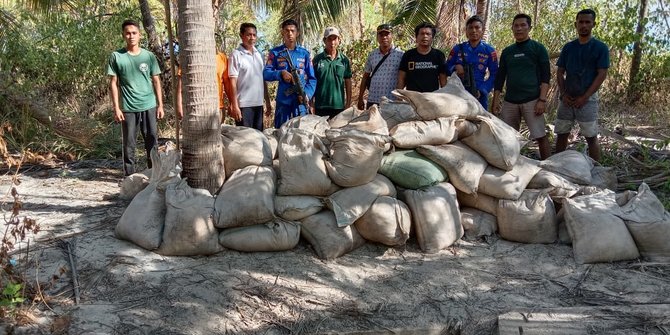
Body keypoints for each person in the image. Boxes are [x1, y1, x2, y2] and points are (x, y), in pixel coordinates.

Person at [107, 19, 164, 176]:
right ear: (123, 35)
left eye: (134, 33)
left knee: (152, 141)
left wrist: (160, 105)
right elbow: (113, 83)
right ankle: (129, 176)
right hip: (128, 108)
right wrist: (116, 108)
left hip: (149, 105)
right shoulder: (116, 57)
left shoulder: (149, 56)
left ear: (140, 35)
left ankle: (154, 174)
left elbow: (156, 80)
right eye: (128, 33)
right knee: (129, 144)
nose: (131, 36)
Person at [492, 14, 551, 160]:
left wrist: (542, 100)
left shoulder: (538, 48)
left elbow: (546, 76)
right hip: (510, 102)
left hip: (532, 100)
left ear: (529, 27)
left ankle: (549, 167)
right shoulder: (507, 52)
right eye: (516, 26)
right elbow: (500, 77)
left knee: (540, 136)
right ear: (512, 28)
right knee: (508, 138)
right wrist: (495, 101)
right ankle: (512, 164)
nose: (519, 28)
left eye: (523, 25)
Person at [554, 8, 609, 162]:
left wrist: (585, 97)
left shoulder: (600, 48)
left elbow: (602, 74)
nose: (584, 25)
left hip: (588, 100)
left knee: (591, 137)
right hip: (567, 99)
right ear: (575, 24)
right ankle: (556, 167)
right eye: (581, 22)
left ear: (593, 24)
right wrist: (563, 94)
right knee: (561, 134)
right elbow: (560, 72)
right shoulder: (569, 47)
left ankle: (597, 171)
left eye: (587, 22)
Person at [263, 19, 317, 128]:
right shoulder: (275, 53)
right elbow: (266, 73)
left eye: (292, 31)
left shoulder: (304, 54)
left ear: (297, 33)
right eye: (287, 31)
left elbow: (312, 79)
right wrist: (280, 73)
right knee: (281, 132)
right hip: (283, 101)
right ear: (282, 32)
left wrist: (306, 95)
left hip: (300, 102)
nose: (290, 34)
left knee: (301, 133)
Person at [445, 15, 498, 110]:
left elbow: (495, 74)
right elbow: (446, 68)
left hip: (479, 95)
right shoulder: (458, 49)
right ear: (466, 31)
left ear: (482, 31)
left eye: (477, 27)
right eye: (471, 28)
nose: (474, 30)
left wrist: (483, 90)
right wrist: (455, 69)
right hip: (458, 93)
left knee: (480, 122)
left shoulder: (489, 51)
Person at [228, 23, 273, 130]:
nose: (252, 37)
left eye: (254, 35)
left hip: (258, 104)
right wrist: (235, 105)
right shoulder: (236, 54)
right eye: (249, 35)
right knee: (245, 140)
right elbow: (232, 82)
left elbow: (262, 80)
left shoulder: (259, 55)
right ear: (241, 35)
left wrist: (267, 102)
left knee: (258, 138)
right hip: (243, 105)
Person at [356, 24, 404, 110]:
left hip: (391, 100)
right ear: (377, 37)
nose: (384, 37)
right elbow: (365, 77)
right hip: (373, 100)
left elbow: (404, 78)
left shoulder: (400, 55)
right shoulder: (372, 55)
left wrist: (400, 99)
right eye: (381, 35)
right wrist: (360, 98)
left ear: (392, 36)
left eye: (387, 34)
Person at [311, 27, 352, 119]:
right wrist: (311, 102)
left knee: (337, 132)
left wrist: (348, 103)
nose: (332, 42)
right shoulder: (317, 60)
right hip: (320, 106)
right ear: (324, 41)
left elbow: (348, 82)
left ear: (339, 40)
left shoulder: (344, 60)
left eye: (335, 39)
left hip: (338, 106)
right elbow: (312, 81)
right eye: (329, 39)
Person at [397, 22, 447, 92]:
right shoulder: (408, 55)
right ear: (416, 37)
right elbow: (401, 78)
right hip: (412, 98)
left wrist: (445, 97)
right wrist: (399, 96)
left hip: (431, 98)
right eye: (422, 34)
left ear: (432, 37)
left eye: (428, 34)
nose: (425, 36)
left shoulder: (439, 55)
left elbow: (443, 79)